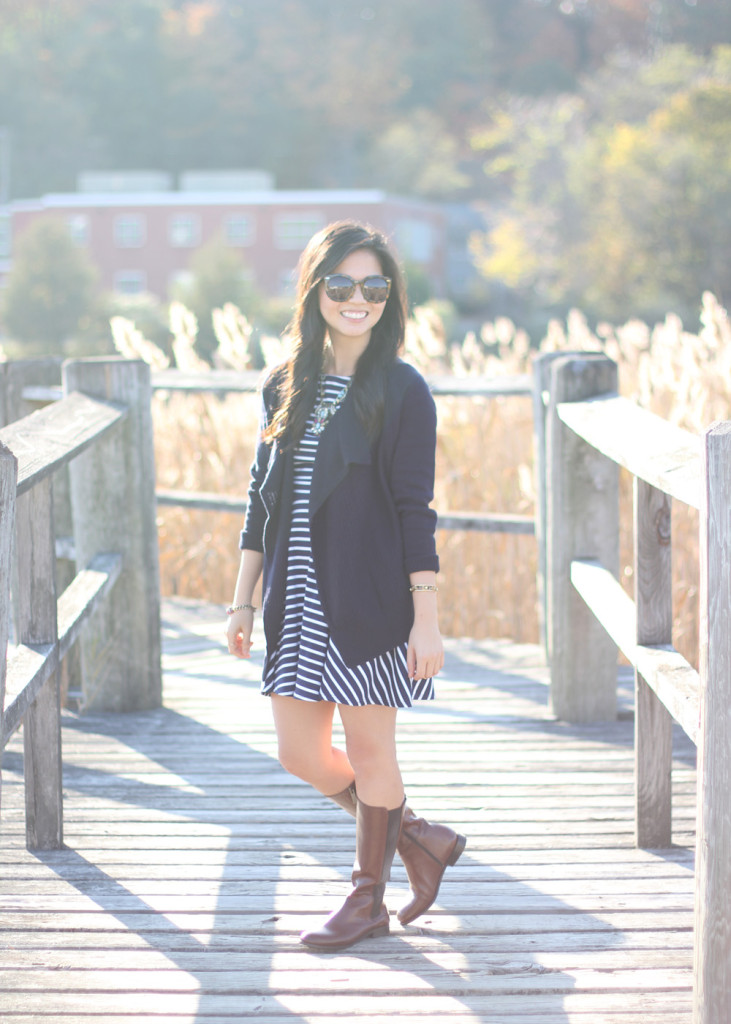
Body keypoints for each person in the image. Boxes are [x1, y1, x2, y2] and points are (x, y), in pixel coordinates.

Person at [226, 220, 465, 951]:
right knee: (299, 753)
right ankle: (415, 835)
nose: (356, 299)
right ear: (315, 290)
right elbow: (259, 498)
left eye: (372, 287)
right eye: (340, 285)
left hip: (367, 598)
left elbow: (412, 507)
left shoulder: (400, 389)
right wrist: (242, 597)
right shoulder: (284, 382)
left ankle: (366, 898)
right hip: (294, 598)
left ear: (388, 297)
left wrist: (425, 616)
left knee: (369, 752)